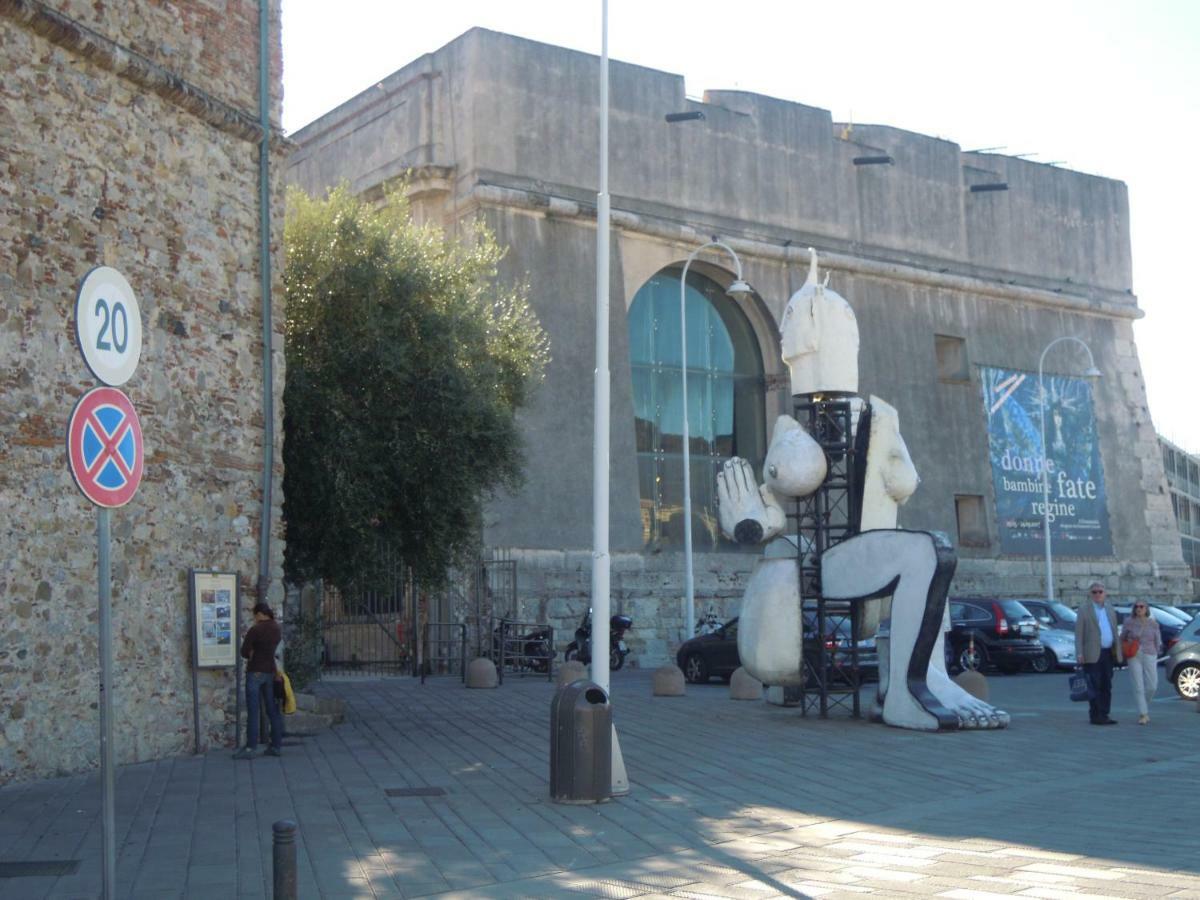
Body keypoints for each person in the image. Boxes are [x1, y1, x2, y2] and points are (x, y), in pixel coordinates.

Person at [233, 602, 284, 759]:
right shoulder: (276, 628)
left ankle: (251, 747)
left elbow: (244, 651)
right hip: (270, 671)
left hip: (255, 671)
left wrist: (252, 652)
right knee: (272, 710)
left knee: (253, 710)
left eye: (255, 615)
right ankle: (276, 746)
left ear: (260, 614)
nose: (254, 619)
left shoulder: (256, 630)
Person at [1074, 582, 1124, 725]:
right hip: (1092, 653)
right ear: (1090, 594)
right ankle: (1095, 715)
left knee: (1107, 685)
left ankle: (1105, 713)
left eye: (1100, 592)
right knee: (1094, 684)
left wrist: (1119, 651)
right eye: (1094, 592)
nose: (1097, 594)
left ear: (1105, 593)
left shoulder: (1109, 609)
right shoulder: (1084, 610)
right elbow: (1079, 634)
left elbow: (1114, 631)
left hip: (1108, 653)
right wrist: (1079, 653)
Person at [1119, 601, 1162, 725]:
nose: (1139, 609)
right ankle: (1143, 713)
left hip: (1150, 654)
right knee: (1138, 685)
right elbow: (1122, 637)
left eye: (1141, 606)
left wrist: (1157, 652)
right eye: (1136, 607)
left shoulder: (1153, 624)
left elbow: (1158, 640)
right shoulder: (1129, 622)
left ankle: (1144, 705)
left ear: (1146, 609)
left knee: (1152, 685)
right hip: (1134, 654)